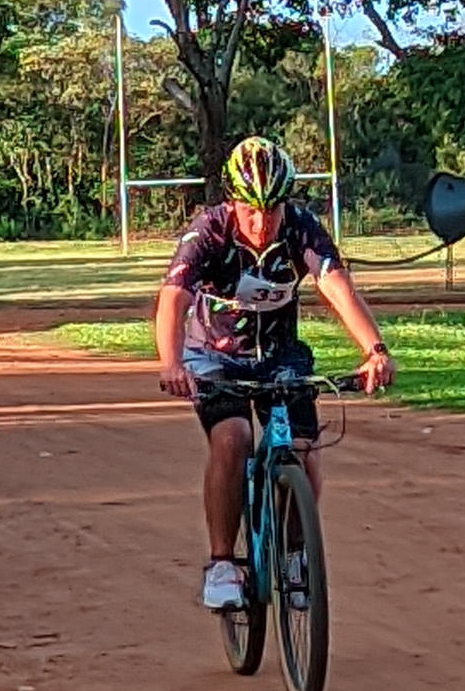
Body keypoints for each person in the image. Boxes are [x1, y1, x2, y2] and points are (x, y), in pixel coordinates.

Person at [154, 136, 394, 614]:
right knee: (233, 437)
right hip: (215, 357)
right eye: (251, 211)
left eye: (272, 210)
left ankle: (294, 555)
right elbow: (173, 299)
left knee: (302, 449)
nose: (261, 224)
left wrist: (375, 350)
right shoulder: (209, 232)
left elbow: (336, 286)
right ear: (232, 203)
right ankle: (223, 564)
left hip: (281, 356)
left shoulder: (302, 229)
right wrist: (171, 362)